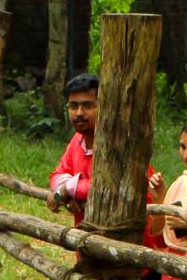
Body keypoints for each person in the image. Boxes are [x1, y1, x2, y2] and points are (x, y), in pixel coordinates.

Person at [48, 73, 164, 224]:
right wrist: (68, 194)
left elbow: (107, 185)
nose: (79, 113)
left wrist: (65, 190)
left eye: (88, 105)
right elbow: (58, 174)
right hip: (89, 235)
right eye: (74, 106)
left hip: (132, 237)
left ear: (105, 107)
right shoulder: (78, 139)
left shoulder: (120, 143)